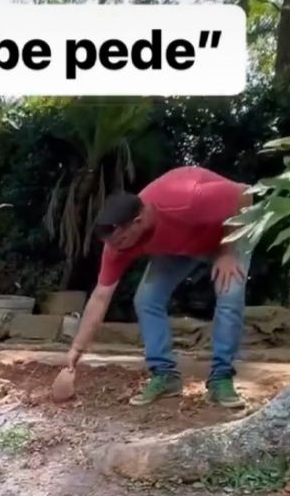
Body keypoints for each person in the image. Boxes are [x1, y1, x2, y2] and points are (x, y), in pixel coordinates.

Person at [64, 166, 252, 408]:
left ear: (138, 221)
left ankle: (221, 378)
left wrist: (227, 252)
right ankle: (165, 375)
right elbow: (101, 296)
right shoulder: (117, 244)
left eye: (120, 240)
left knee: (230, 293)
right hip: (183, 245)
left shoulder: (184, 201)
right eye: (112, 243)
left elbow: (244, 193)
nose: (117, 248)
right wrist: (76, 349)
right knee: (146, 299)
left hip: (228, 232)